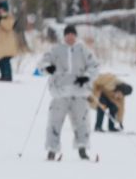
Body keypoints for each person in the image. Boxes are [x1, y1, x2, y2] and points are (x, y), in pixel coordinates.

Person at [42, 24, 99, 161]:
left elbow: (94, 66)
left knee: (82, 123)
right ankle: (52, 150)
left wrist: (86, 76)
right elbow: (43, 63)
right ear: (64, 36)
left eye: (72, 34)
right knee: (54, 122)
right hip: (60, 92)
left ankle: (82, 149)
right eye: (67, 34)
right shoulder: (55, 49)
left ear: (75, 36)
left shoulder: (83, 50)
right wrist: (47, 68)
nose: (70, 37)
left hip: (79, 93)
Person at [0, 1, 25, 82]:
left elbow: (8, 27)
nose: (0, 11)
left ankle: (8, 76)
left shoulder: (9, 17)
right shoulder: (0, 18)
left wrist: (1, 21)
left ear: (5, 9)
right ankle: (3, 75)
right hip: (0, 44)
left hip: (7, 44)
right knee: (0, 60)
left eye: (1, 9)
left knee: (6, 60)